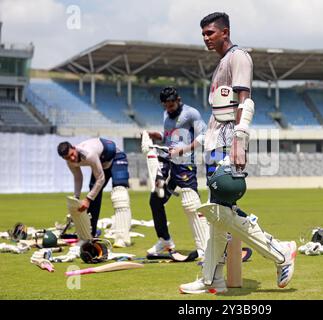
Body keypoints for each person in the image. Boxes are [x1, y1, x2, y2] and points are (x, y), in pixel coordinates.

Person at [179, 12, 297, 294]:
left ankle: (280, 253)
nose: (206, 38)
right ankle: (212, 279)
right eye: (203, 34)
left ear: (225, 32)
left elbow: (245, 103)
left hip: (227, 144)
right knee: (217, 214)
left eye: (210, 33)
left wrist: (238, 142)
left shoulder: (238, 57)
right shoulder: (221, 63)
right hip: (213, 145)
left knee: (221, 211)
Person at [144, 87, 209, 258]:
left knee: (191, 204)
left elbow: (203, 136)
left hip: (185, 163)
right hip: (167, 161)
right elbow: (167, 138)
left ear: (178, 100)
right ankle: (165, 240)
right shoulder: (166, 115)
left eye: (171, 105)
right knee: (155, 201)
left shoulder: (191, 113)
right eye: (166, 106)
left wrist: (184, 149)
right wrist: (155, 135)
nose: (169, 109)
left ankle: (205, 247)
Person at [57, 138, 132, 248]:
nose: (72, 158)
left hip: (116, 157)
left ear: (73, 148)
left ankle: (123, 238)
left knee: (119, 194)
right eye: (68, 158)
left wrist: (87, 199)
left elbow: (101, 178)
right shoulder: (70, 162)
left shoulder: (89, 154)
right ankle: (90, 236)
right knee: (93, 194)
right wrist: (76, 199)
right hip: (102, 163)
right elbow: (78, 178)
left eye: (72, 154)